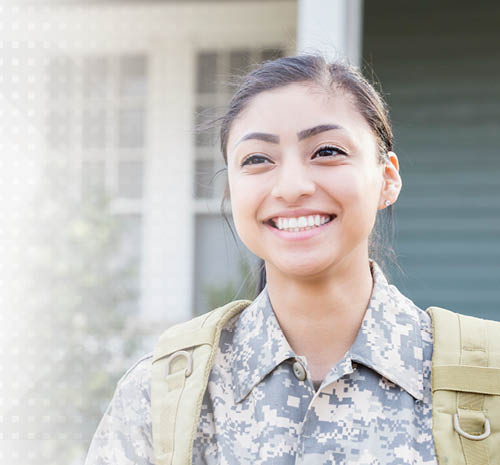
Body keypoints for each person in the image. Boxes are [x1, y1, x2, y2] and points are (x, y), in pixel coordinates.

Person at [85, 55, 437, 464]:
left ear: (387, 178)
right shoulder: (161, 395)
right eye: (257, 159)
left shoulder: (483, 387)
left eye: (326, 151)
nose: (291, 187)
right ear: (232, 190)